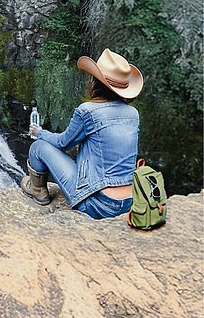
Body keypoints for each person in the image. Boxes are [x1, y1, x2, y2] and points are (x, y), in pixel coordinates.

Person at [21, 48, 141, 219]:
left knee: (38, 147)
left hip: (97, 204)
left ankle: (37, 190)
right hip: (130, 201)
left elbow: (63, 143)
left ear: (94, 81)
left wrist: (40, 132)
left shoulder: (88, 111)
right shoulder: (133, 114)